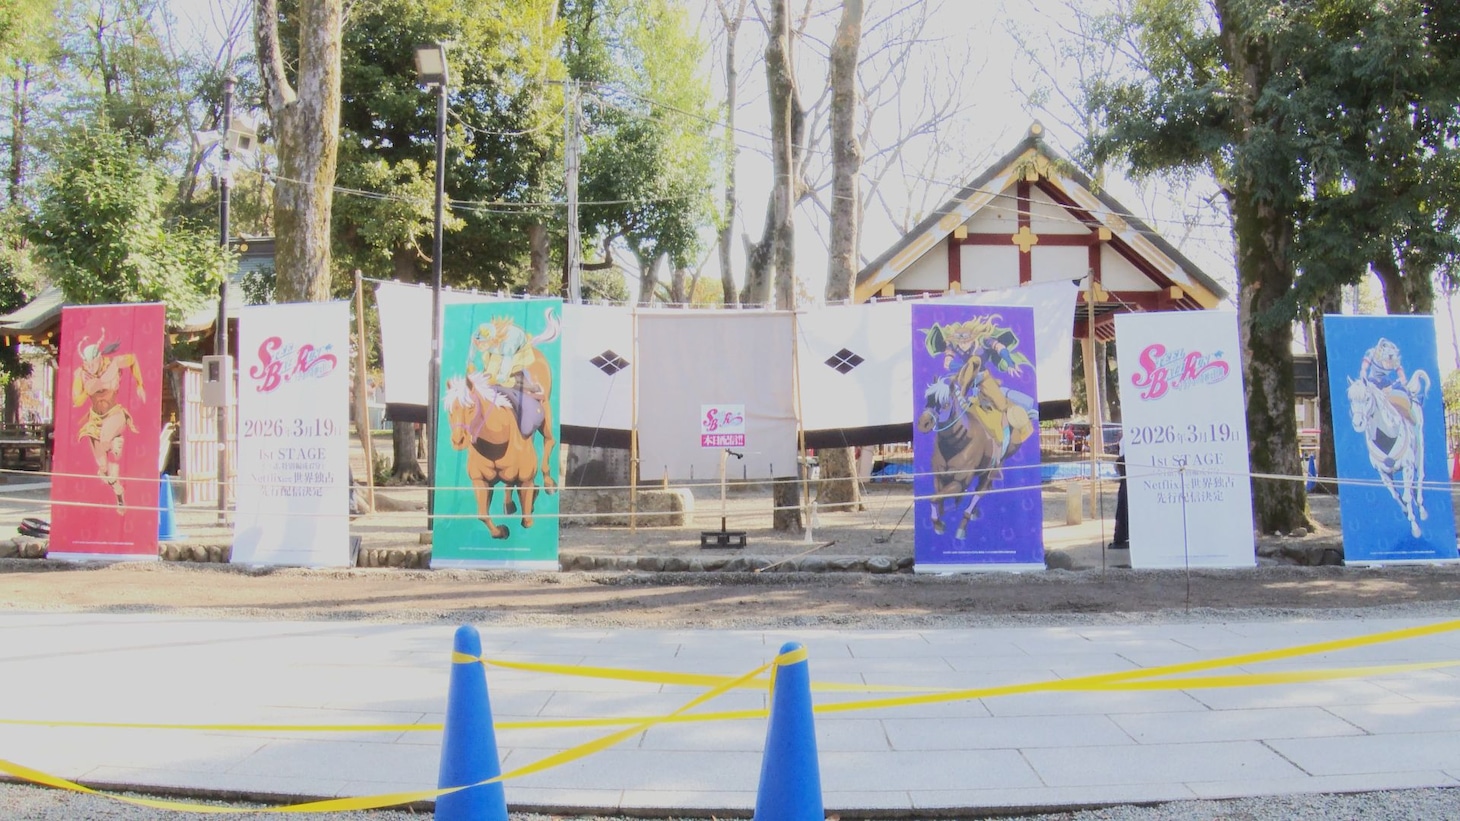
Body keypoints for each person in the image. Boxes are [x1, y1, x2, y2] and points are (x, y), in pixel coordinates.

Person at [71, 330, 145, 513]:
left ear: (99, 358)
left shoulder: (113, 364)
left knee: (105, 439)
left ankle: (113, 443)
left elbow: (133, 359)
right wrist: (88, 391)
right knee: (103, 469)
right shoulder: (81, 374)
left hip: (114, 413)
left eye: (93, 363)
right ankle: (119, 493)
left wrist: (140, 384)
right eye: (87, 364)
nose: (90, 367)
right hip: (94, 419)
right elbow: (76, 401)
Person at [1110, 436, 1129, 550]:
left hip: (1126, 465)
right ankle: (1121, 537)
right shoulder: (1124, 440)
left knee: (1123, 504)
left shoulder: (1125, 440)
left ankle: (1121, 537)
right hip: (1125, 465)